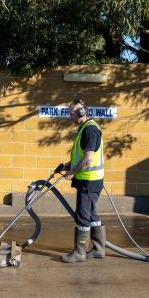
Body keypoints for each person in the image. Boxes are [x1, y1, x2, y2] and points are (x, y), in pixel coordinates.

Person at [60, 98, 105, 263]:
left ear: (80, 113)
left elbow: (88, 158)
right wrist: (69, 165)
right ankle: (99, 250)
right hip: (90, 180)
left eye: (71, 114)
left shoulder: (90, 130)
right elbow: (82, 155)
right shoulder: (85, 128)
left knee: (83, 215)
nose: (70, 117)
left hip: (88, 180)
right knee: (91, 213)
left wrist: (73, 171)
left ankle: (79, 252)